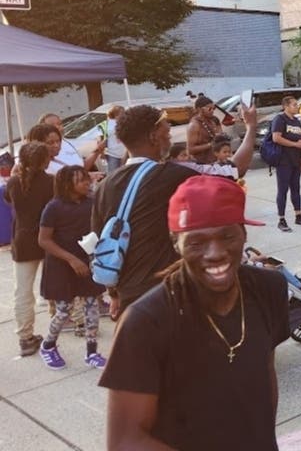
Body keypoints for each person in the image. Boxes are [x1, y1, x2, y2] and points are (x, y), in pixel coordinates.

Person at [99, 175, 290, 449]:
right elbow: (125, 441)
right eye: (197, 242)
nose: (215, 253)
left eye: (227, 236)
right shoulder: (146, 322)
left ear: (244, 234)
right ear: (175, 242)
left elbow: (265, 375)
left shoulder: (268, 289)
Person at [91, 102, 257, 317]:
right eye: (166, 132)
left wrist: (113, 293)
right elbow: (235, 170)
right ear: (153, 136)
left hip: (130, 297)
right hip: (168, 295)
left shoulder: (106, 185)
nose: (170, 137)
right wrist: (251, 128)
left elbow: (98, 242)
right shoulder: (175, 176)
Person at [37, 166, 107, 369]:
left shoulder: (92, 203)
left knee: (92, 307)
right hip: (62, 265)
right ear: (67, 184)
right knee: (63, 309)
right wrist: (71, 260)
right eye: (81, 180)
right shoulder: (53, 207)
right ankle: (48, 345)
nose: (87, 183)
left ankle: (92, 352)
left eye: (87, 179)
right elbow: (44, 240)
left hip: (88, 263)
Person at [3, 142, 53, 357]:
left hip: (23, 241)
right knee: (54, 284)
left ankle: (25, 338)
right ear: (45, 161)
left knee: (22, 292)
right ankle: (64, 319)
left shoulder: (14, 182)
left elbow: (7, 200)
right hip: (49, 239)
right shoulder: (51, 182)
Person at [271, 96, 301, 232]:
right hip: (283, 160)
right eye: (294, 105)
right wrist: (295, 144)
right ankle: (281, 219)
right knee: (283, 190)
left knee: (296, 189)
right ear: (286, 106)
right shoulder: (280, 119)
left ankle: (298, 216)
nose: (297, 107)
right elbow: (276, 138)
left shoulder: (296, 121)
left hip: (295, 159)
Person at [37, 112, 104, 174]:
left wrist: (97, 150)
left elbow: (82, 167)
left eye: (59, 124)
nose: (58, 127)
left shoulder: (66, 143)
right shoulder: (43, 153)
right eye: (52, 125)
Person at [186, 95, 222, 164]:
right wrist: (210, 145)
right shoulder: (194, 125)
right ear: (200, 109)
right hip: (201, 164)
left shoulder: (212, 121)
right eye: (209, 109)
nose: (212, 111)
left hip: (215, 162)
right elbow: (190, 150)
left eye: (213, 108)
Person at [98, 105, 127, 174]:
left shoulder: (125, 123)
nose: (124, 115)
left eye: (124, 113)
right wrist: (102, 153)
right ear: (115, 114)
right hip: (112, 154)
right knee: (112, 176)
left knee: (124, 175)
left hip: (125, 154)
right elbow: (101, 140)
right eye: (122, 113)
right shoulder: (106, 124)